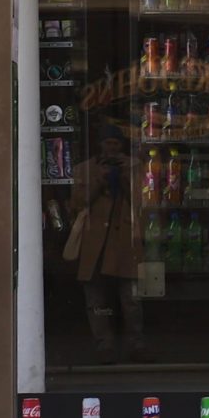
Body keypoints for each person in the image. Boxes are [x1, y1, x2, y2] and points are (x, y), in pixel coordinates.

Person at [67, 129, 144, 362]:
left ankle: (136, 345)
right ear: (100, 145)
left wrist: (123, 178)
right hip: (95, 241)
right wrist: (99, 181)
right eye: (107, 142)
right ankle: (104, 345)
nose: (111, 148)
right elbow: (77, 204)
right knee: (96, 299)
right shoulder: (83, 169)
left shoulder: (135, 167)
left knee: (131, 299)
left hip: (124, 241)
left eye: (115, 143)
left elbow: (142, 201)